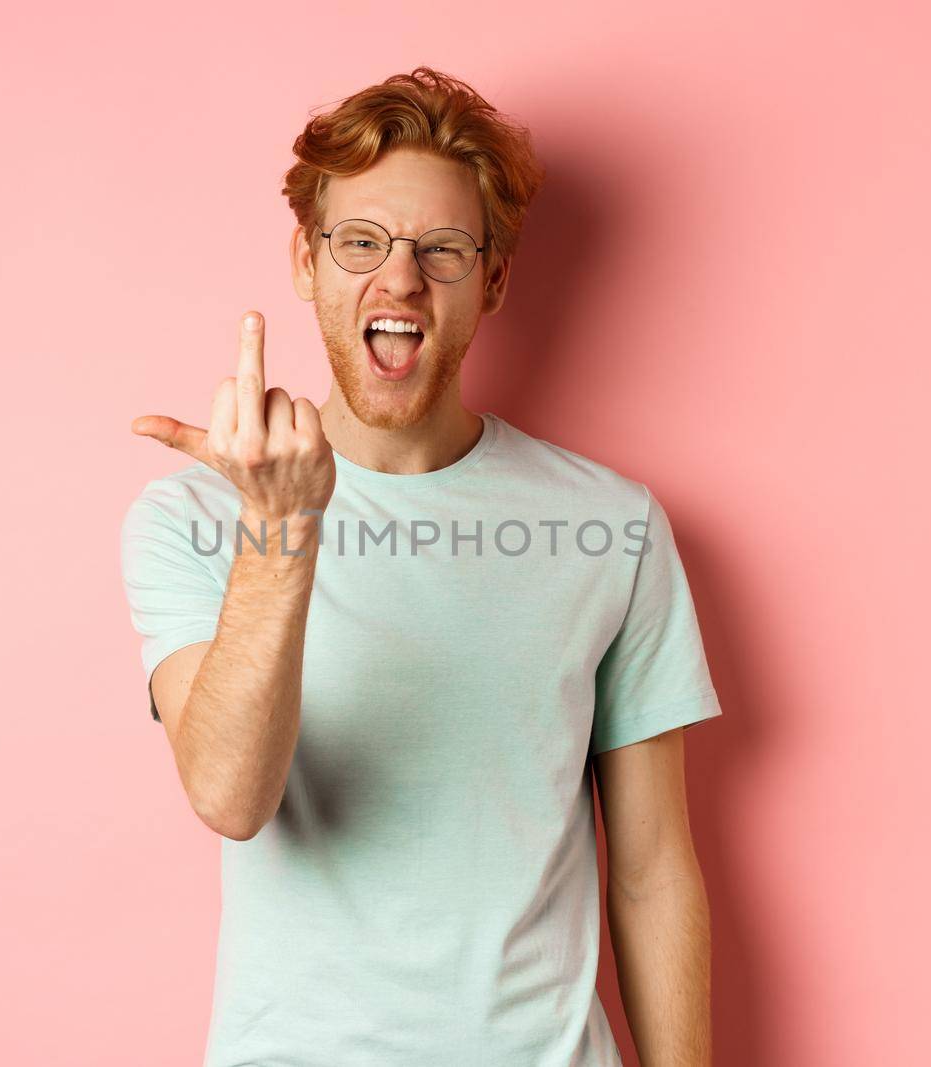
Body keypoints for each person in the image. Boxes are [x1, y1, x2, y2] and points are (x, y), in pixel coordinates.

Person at [120, 67, 721, 1067]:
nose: (398, 280)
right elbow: (229, 794)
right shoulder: (194, 516)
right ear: (306, 262)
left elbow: (654, 867)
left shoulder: (611, 525)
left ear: (490, 281)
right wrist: (282, 528)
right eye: (361, 242)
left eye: (440, 249)